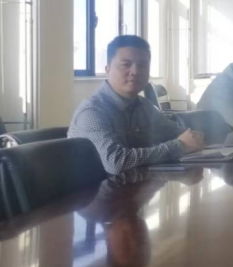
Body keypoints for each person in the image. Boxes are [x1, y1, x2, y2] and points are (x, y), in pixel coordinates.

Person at [68, 36, 205, 175]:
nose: (135, 71)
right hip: (96, 189)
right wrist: (180, 146)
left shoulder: (144, 106)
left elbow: (173, 132)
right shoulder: (92, 112)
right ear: (107, 69)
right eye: (125, 64)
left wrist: (195, 138)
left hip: (138, 185)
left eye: (142, 65)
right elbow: (116, 162)